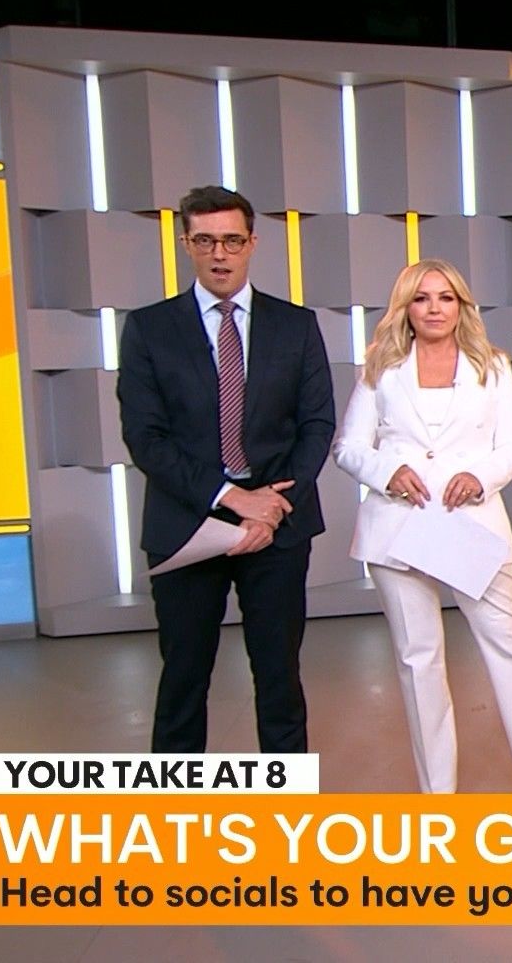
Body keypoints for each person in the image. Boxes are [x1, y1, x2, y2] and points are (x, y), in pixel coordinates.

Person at [332, 258, 512, 793]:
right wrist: (388, 472)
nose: (434, 308)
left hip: (471, 529)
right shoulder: (380, 368)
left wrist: (478, 477)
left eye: (445, 297)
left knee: (510, 647)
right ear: (405, 308)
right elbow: (348, 447)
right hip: (399, 529)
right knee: (419, 660)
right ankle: (437, 792)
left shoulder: (493, 367)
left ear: (461, 305)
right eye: (421, 298)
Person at [117, 185, 336, 754]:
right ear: (185, 243)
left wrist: (271, 509)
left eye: (232, 240)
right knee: (183, 680)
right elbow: (146, 437)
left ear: (252, 243)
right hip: (187, 525)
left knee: (280, 679)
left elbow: (316, 425)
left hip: (279, 529)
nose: (220, 254)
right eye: (206, 241)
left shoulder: (296, 325)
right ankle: (177, 803)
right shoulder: (149, 328)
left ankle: (284, 803)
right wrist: (232, 499)